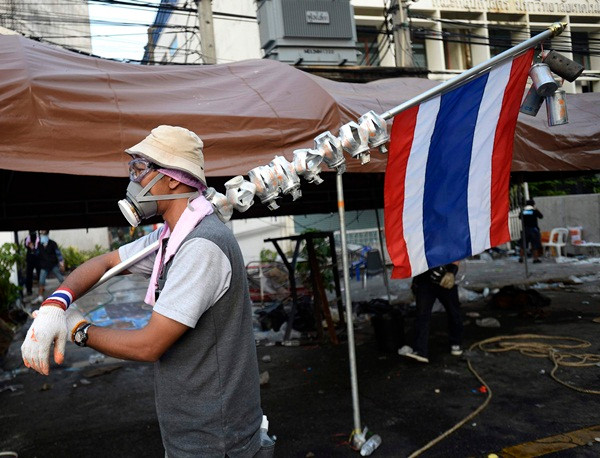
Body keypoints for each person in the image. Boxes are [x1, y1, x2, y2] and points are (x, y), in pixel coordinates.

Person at [21, 125, 267, 457]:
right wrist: (56, 302)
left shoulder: (202, 246)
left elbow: (150, 344)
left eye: (140, 170)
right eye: (132, 170)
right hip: (192, 429)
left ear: (174, 180)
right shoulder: (172, 236)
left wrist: (78, 330)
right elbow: (107, 261)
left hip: (215, 438)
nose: (133, 182)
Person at [398, 262, 463, 363]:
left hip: (445, 275)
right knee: (422, 314)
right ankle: (420, 350)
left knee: (453, 312)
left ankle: (456, 343)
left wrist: (452, 271)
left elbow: (457, 251)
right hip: (425, 278)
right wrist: (416, 282)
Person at [32, 230, 65, 303]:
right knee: (41, 281)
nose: (42, 235)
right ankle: (40, 297)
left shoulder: (52, 243)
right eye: (41, 234)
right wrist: (33, 248)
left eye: (43, 233)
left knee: (61, 279)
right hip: (44, 265)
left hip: (53, 264)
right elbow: (36, 254)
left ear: (47, 234)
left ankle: (67, 293)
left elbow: (58, 254)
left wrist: (61, 263)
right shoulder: (39, 245)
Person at [519, 199, 544, 264]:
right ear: (533, 204)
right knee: (535, 245)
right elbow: (541, 216)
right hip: (533, 230)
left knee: (523, 244)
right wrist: (536, 209)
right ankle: (535, 259)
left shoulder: (523, 211)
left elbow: (519, 217)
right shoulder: (534, 211)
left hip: (525, 230)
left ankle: (521, 258)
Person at [23, 230, 40, 298]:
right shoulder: (27, 239)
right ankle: (29, 290)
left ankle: (40, 289)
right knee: (29, 275)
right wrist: (29, 246)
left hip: (37, 259)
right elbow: (26, 246)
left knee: (39, 274)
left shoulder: (39, 240)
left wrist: (33, 248)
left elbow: (39, 250)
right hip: (30, 260)